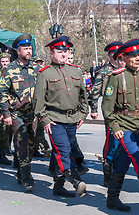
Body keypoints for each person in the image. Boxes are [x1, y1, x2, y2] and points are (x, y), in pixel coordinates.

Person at [34, 36, 88, 197]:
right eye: (59, 51)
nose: (63, 54)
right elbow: (38, 100)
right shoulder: (45, 73)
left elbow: (83, 95)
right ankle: (76, 181)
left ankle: (58, 186)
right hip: (54, 120)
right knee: (64, 151)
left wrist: (83, 113)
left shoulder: (76, 70)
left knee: (63, 152)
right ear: (51, 53)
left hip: (72, 120)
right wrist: (44, 119)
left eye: (65, 51)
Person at [102, 39, 139, 211]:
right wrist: (114, 128)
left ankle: (112, 198)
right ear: (124, 57)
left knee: (125, 160)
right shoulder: (116, 77)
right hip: (123, 127)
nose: (137, 58)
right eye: (133, 55)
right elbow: (107, 108)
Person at [0, 34, 38, 191]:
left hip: (33, 114)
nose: (29, 51)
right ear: (18, 50)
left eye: (30, 48)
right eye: (26, 48)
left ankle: (21, 172)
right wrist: (6, 114)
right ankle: (27, 178)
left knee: (32, 144)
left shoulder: (36, 69)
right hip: (17, 114)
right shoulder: (10, 69)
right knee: (22, 144)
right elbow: (1, 92)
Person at [88, 41, 123, 187]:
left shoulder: (126, 69)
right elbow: (95, 91)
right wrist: (94, 109)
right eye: (113, 54)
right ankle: (108, 172)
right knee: (112, 142)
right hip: (111, 110)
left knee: (124, 143)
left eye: (118, 54)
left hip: (126, 111)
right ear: (109, 55)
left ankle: (117, 170)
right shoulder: (104, 71)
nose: (116, 57)